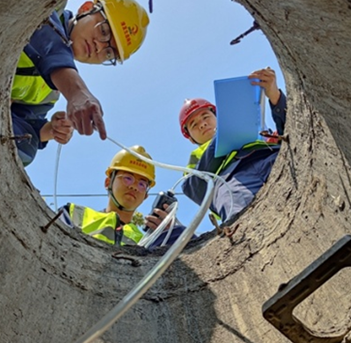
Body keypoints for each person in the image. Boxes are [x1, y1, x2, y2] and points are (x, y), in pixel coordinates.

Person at [11, 0, 150, 165]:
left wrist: (49, 130)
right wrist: (76, 91)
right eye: (103, 31)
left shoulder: (49, 92)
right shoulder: (52, 2)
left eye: (108, 53)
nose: (100, 46)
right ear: (86, 8)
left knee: (25, 147)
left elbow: (20, 123)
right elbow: (40, 26)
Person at [179, 66, 287, 223]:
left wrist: (275, 97)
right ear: (190, 138)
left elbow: (293, 135)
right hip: (230, 182)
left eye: (205, 117)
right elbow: (194, 188)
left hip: (268, 157)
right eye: (194, 124)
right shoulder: (194, 161)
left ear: (218, 117)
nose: (202, 124)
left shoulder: (257, 128)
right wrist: (224, 136)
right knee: (242, 218)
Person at [58, 146, 182, 248]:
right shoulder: (73, 213)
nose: (134, 187)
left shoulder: (147, 240)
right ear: (108, 183)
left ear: (145, 196)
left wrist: (171, 233)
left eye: (142, 184)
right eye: (128, 178)